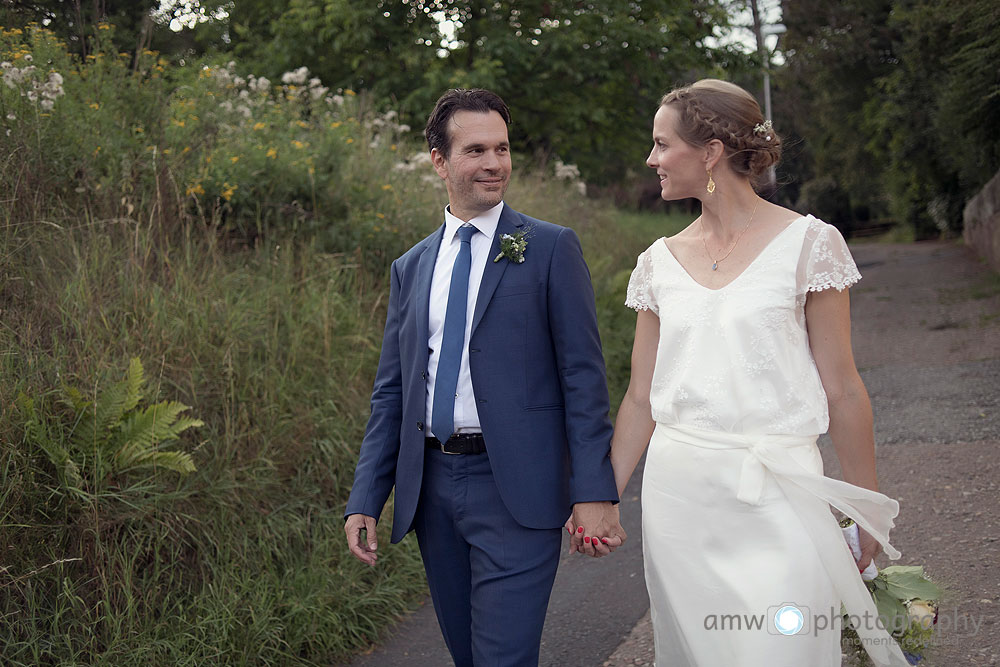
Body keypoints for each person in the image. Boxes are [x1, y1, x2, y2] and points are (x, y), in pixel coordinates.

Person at [602, 79, 910, 666]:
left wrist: (865, 501)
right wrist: (602, 497)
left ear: (710, 151)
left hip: (779, 493)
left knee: (784, 649)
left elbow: (843, 388)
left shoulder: (809, 244)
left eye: (663, 145)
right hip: (679, 502)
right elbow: (641, 398)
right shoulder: (656, 264)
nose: (652, 159)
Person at [343, 88, 625, 667]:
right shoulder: (412, 266)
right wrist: (367, 495)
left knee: (502, 658)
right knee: (469, 656)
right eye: (475, 150)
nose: (494, 163)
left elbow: (583, 378)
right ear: (439, 161)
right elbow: (393, 389)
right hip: (432, 490)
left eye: (501, 147)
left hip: (516, 487)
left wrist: (593, 491)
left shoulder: (549, 248)